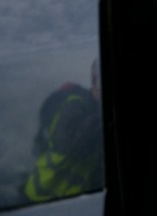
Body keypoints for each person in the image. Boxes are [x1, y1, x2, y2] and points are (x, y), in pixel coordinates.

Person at [23, 61, 102, 202]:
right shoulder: (73, 104)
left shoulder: (96, 110)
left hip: (76, 202)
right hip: (41, 199)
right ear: (93, 82)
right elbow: (72, 144)